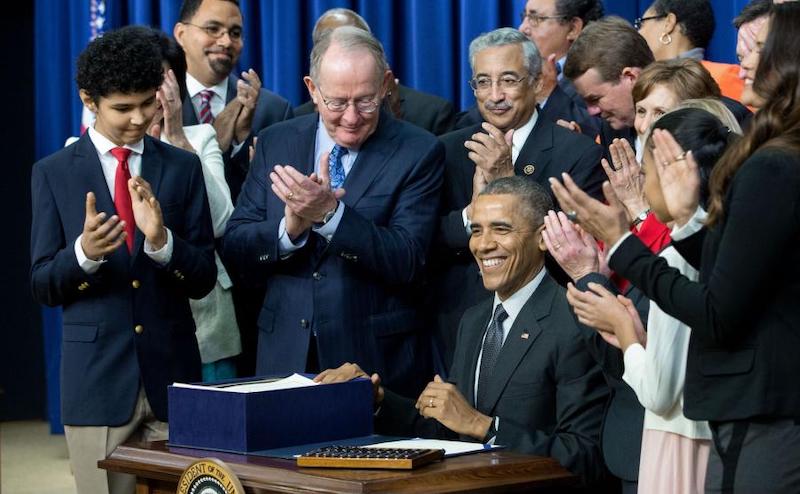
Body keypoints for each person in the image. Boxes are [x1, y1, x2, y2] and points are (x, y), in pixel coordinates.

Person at [549, 3, 800, 490]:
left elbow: (715, 312)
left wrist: (625, 243)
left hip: (768, 412)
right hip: (749, 416)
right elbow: (728, 274)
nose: (741, 62)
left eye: (755, 50)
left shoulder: (775, 165)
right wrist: (684, 224)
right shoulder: (774, 156)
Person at [317, 177, 608, 483]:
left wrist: (485, 426)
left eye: (501, 229)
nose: (483, 245)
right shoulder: (473, 319)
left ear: (542, 238)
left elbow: (584, 455)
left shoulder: (575, 320)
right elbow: (450, 430)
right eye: (477, 230)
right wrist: (377, 398)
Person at [30, 26, 216, 494]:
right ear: (88, 99)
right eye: (122, 108)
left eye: (147, 103)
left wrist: (162, 243)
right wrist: (83, 255)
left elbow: (204, 279)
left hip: (174, 385)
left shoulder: (182, 167)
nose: (139, 119)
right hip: (95, 387)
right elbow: (42, 284)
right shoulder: (52, 173)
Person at [221, 26, 444, 398]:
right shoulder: (277, 140)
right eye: (337, 102)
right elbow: (236, 247)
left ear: (387, 84)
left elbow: (409, 259)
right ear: (312, 89)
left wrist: (330, 215)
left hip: (373, 361)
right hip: (284, 357)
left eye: (366, 101)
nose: (352, 117)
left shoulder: (419, 151)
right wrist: (288, 231)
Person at [566, 106, 738, 494]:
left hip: (679, 444)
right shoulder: (726, 244)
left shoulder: (677, 256)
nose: (638, 186)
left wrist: (626, 332)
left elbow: (659, 392)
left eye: (644, 172)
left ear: (674, 173)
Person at [429, 27, 602, 372]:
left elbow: (574, 245)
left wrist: (509, 183)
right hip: (462, 324)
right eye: (482, 82)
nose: (495, 95)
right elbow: (427, 241)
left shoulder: (577, 153)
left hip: (548, 329)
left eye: (508, 80)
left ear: (537, 83)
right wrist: (470, 214)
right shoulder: (448, 149)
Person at [174, 0, 294, 377]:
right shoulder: (156, 102)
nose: (225, 41)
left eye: (235, 32)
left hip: (251, 281)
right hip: (180, 280)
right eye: (213, 29)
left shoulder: (273, 109)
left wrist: (242, 151)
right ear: (181, 33)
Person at [147, 28, 241, 381]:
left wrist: (176, 139)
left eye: (158, 82)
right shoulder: (88, 150)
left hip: (204, 316)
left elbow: (222, 221)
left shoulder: (200, 138)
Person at [293, 8, 455, 136]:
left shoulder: (431, 112)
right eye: (337, 102)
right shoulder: (296, 120)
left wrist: (393, 114)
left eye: (354, 41)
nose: (351, 118)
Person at [454, 0, 602, 138]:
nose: (523, 28)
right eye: (524, 16)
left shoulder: (600, 73)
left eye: (535, 18)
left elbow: (606, 133)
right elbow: (467, 125)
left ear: (573, 28)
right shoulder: (518, 70)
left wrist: (549, 95)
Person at [634, 0, 745, 101]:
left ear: (669, 23)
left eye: (642, 23)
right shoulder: (642, 81)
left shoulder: (725, 77)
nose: (638, 32)